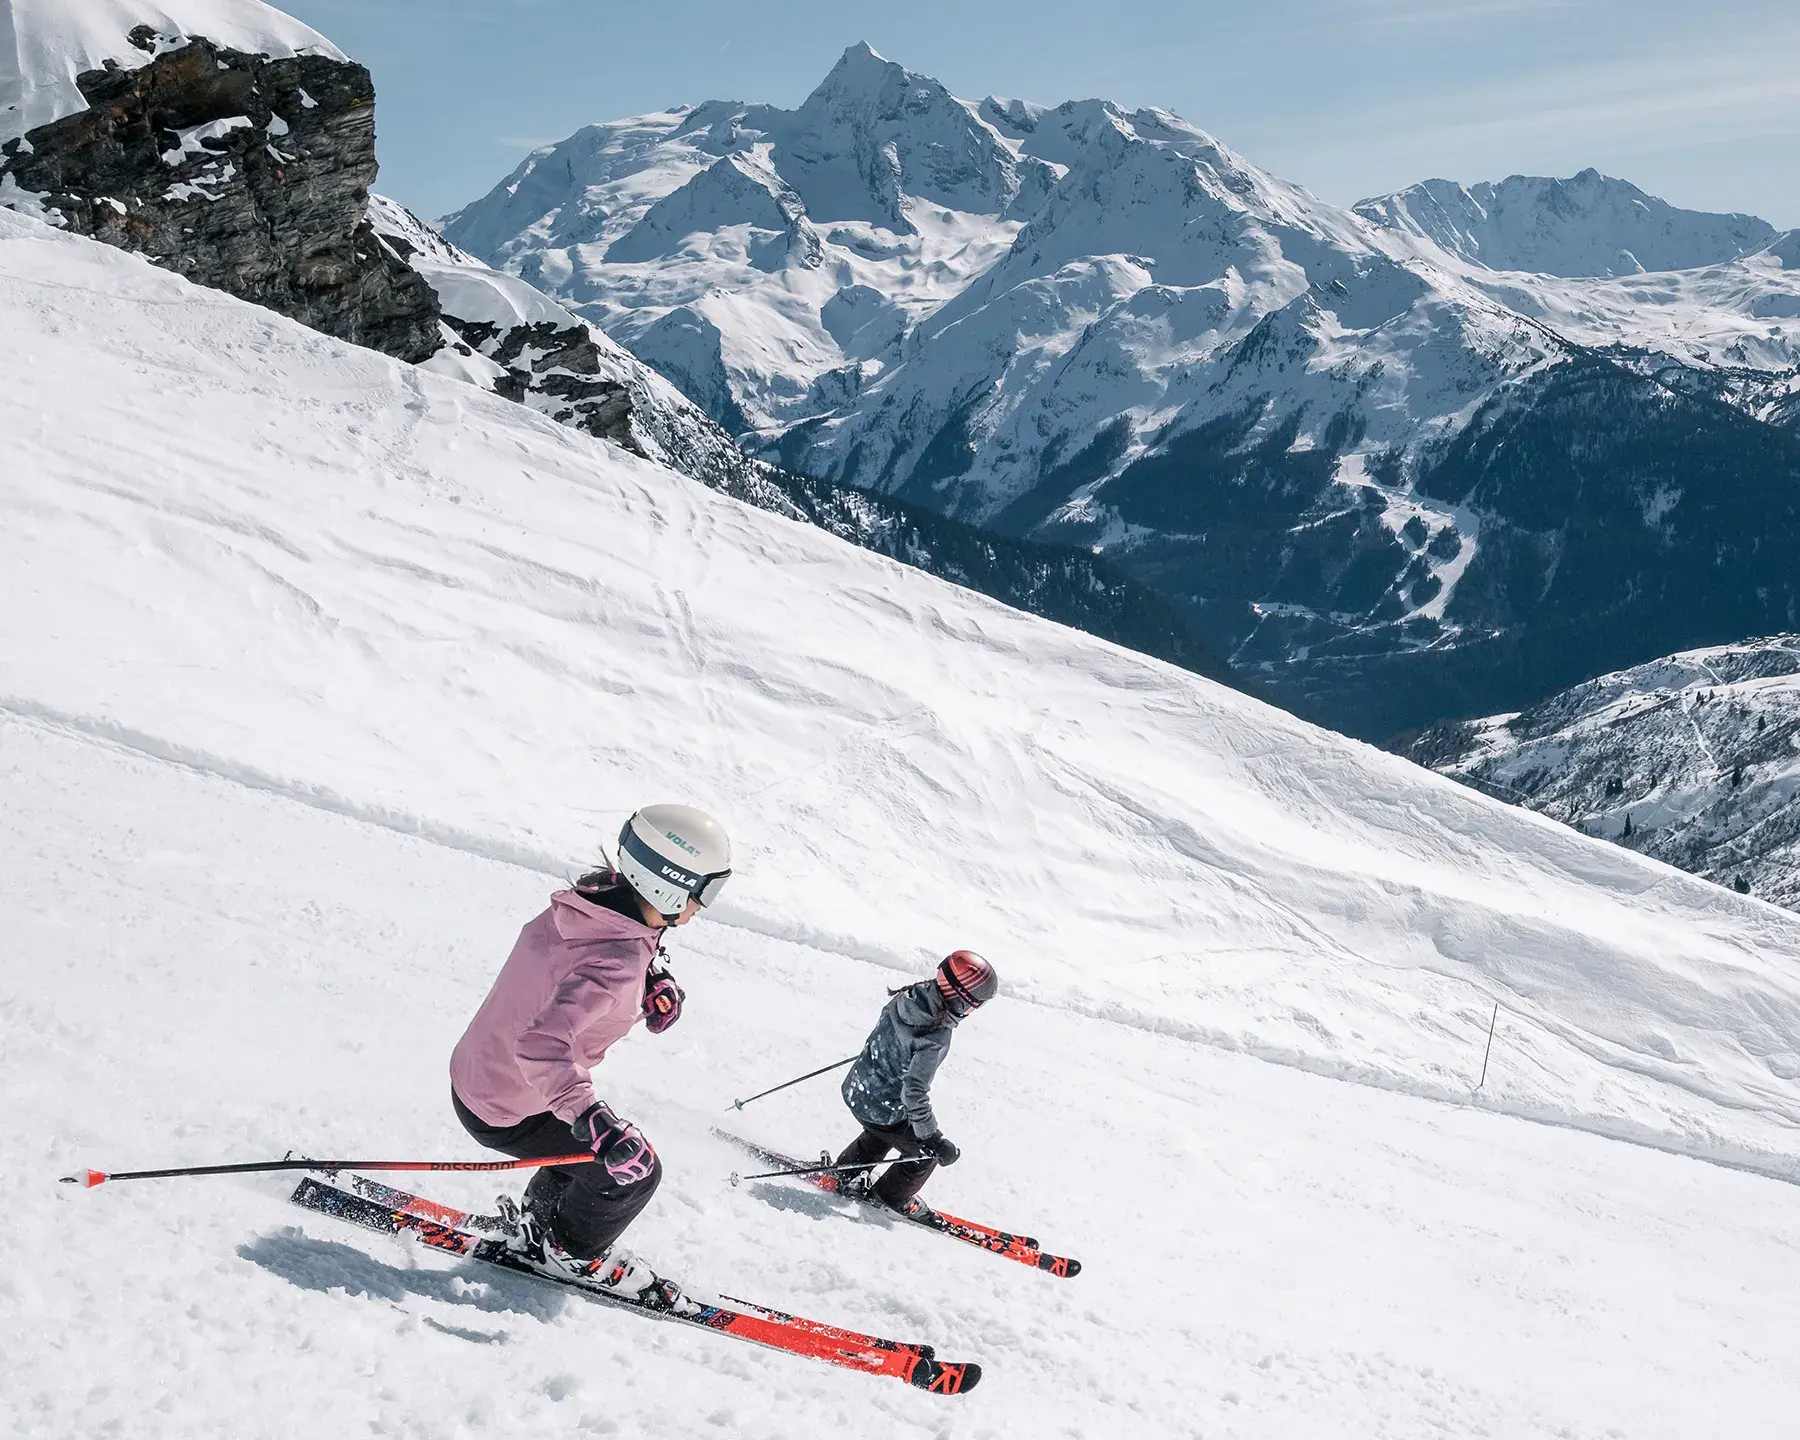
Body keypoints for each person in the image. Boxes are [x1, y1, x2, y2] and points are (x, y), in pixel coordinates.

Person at [448, 804, 731, 1300]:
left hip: (481, 1073)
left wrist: (650, 980)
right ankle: (572, 1254)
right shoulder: (616, 961)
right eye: (703, 891)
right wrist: (593, 1119)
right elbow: (540, 1045)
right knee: (633, 1172)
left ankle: (541, 1226)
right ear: (666, 883)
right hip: (507, 1104)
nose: (703, 906)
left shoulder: (589, 905)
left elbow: (580, 966)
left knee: (584, 1150)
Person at [832, 950, 999, 1219]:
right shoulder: (935, 1035)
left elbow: (890, 1037)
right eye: (974, 1004)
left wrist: (886, 1055)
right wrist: (933, 1139)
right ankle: (889, 1197)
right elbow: (914, 1092)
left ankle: (846, 1172)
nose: (972, 1011)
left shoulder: (910, 995)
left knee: (885, 1129)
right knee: (922, 1154)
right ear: (960, 998)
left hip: (856, 1087)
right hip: (881, 1105)